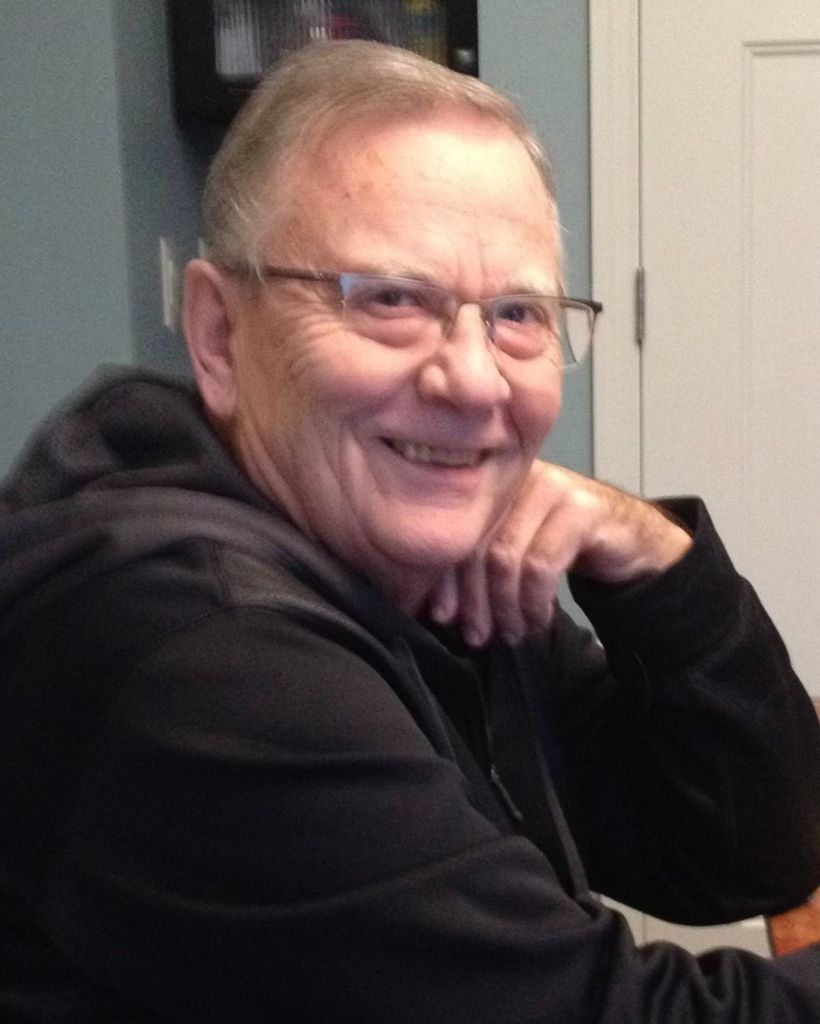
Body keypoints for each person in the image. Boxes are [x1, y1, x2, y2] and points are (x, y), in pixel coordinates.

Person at [1, 39, 819, 1024]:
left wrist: (654, 559)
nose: (472, 379)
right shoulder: (200, 654)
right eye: (389, 299)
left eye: (517, 313)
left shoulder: (405, 567)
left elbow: (747, 853)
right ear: (219, 334)